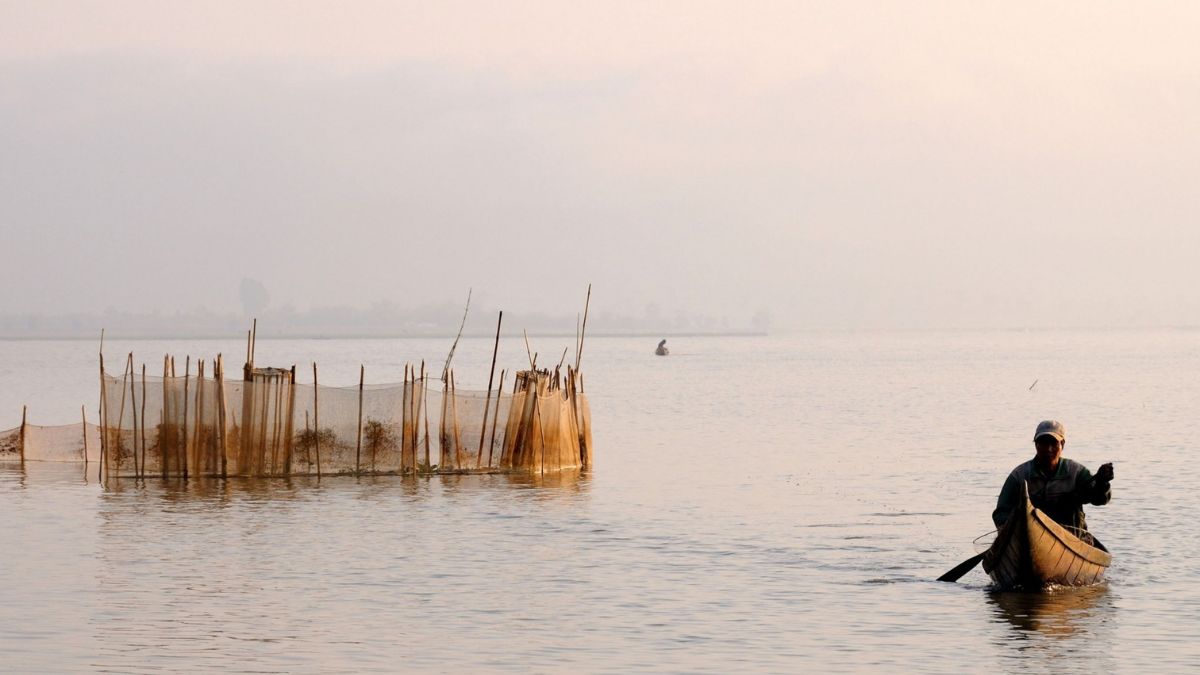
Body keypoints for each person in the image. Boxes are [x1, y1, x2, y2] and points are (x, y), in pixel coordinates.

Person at [991, 420, 1113, 534]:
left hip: (1071, 538)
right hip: (1029, 536)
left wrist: (1102, 483)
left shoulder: (1077, 472)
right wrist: (1012, 532)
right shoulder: (1019, 475)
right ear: (1036, 445)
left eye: (1053, 443)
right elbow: (1001, 512)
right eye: (1043, 443)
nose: (1048, 449)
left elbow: (1099, 499)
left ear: (1062, 444)